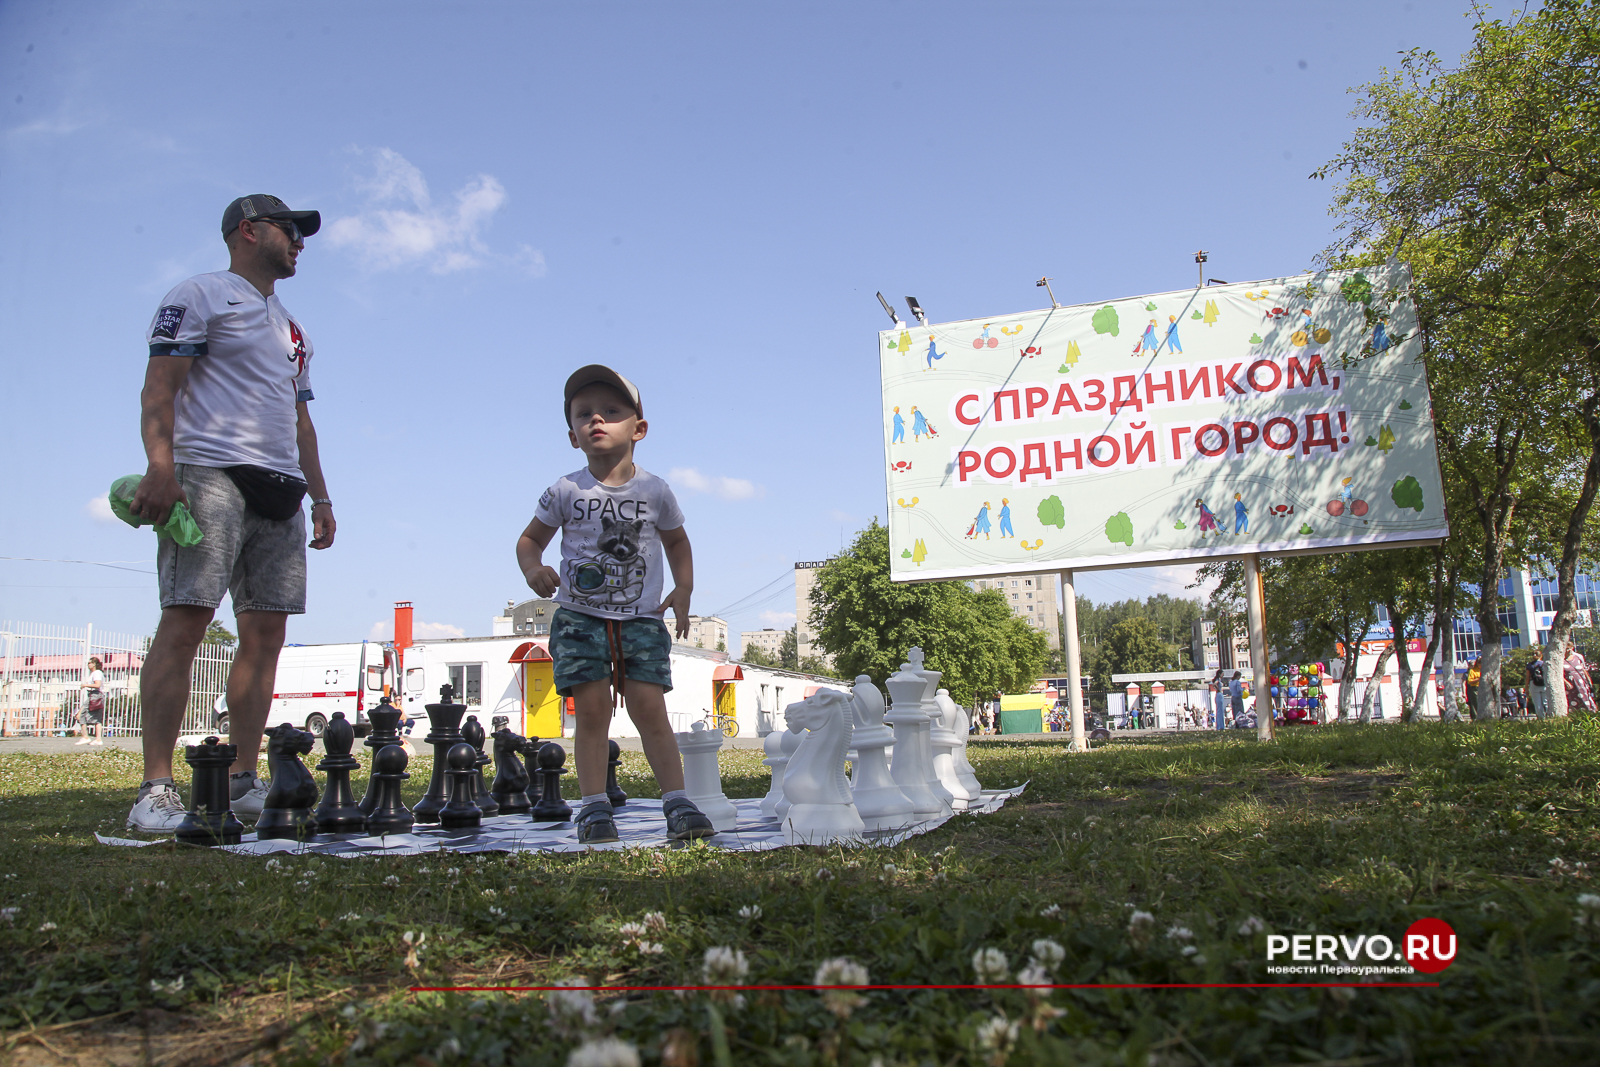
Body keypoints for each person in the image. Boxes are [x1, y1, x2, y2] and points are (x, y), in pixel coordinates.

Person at [124, 194, 335, 832]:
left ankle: (244, 777)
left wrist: (321, 496)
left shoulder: (292, 327)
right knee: (187, 619)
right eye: (290, 229)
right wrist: (162, 467)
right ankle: (155, 789)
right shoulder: (199, 295)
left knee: (266, 636)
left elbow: (302, 420)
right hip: (209, 473)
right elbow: (159, 386)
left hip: (282, 490)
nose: (300, 241)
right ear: (248, 230)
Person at [515, 366, 714, 845]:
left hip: (641, 620)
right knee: (592, 710)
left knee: (650, 709)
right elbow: (528, 540)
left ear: (638, 429)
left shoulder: (655, 490)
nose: (597, 419)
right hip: (579, 619)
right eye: (585, 414)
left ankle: (678, 803)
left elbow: (678, 542)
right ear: (572, 435)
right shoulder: (565, 489)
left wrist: (683, 589)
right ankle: (593, 807)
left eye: (611, 411)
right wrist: (532, 568)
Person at [76, 656, 106, 746]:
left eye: (89, 663)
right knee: (97, 719)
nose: (88, 665)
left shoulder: (96, 673)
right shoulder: (95, 673)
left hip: (95, 695)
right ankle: (98, 739)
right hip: (95, 695)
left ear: (94, 664)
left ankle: (86, 736)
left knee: (80, 715)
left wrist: (85, 685)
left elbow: (97, 685)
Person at [1564, 640, 1596, 714]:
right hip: (1571, 686)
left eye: (1569, 648)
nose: (1567, 651)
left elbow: (1584, 670)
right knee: (1574, 702)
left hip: (1582, 683)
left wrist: (1589, 682)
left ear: (1572, 648)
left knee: (1586, 699)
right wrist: (1566, 682)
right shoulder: (1561, 660)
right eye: (1566, 649)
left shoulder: (1578, 657)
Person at [1526, 652, 1548, 718]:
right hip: (1544, 684)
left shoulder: (1530, 665)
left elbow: (1527, 678)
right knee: (1546, 702)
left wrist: (1526, 688)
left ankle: (1541, 718)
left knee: (1537, 704)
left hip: (1534, 684)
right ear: (1541, 655)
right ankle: (1549, 717)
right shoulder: (1544, 663)